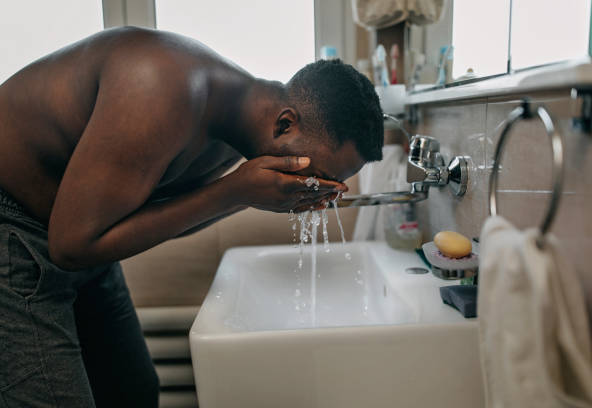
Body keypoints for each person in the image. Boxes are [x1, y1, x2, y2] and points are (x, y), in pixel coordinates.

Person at [0, 26, 383, 407]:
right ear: (285, 124)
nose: (317, 187)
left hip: (79, 229)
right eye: (321, 175)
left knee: (132, 391)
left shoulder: (239, 135)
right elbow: (70, 244)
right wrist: (234, 191)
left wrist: (244, 194)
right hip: (16, 223)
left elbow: (160, 221)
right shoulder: (161, 88)